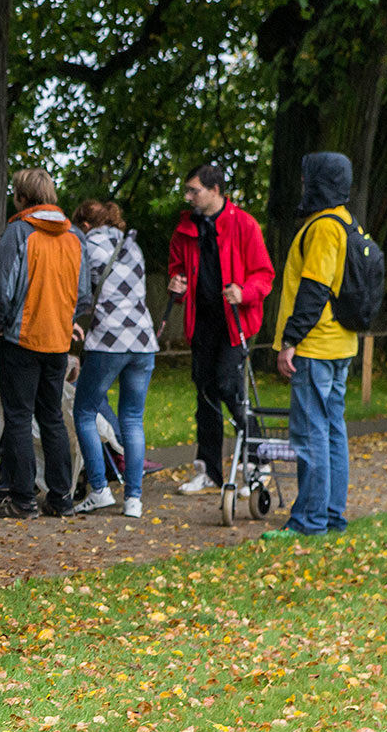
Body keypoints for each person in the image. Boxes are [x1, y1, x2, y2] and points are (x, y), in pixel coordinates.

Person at [264, 152, 360, 540]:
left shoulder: (322, 227)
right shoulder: (347, 222)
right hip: (341, 344)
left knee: (311, 434)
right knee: (333, 430)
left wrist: (290, 341)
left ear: (317, 181)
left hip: (316, 346)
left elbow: (315, 288)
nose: (302, 184)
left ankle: (309, 520)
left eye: (307, 178)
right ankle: (332, 515)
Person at [0, 168, 90, 519]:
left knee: (17, 417)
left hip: (21, 337)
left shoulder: (19, 232)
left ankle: (22, 499)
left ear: (21, 197)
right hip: (58, 341)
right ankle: (61, 498)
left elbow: (1, 291)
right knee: (52, 418)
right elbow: (84, 296)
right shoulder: (74, 236)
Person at [166, 164, 274, 495]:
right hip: (201, 322)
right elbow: (177, 270)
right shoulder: (184, 229)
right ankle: (210, 470)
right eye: (187, 190)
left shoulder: (244, 224)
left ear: (215, 191)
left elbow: (264, 274)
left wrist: (244, 292)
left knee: (230, 387)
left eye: (193, 190)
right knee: (205, 393)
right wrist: (177, 286)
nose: (187, 196)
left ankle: (259, 459)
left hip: (236, 321)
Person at [70, 200, 156, 518]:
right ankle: (133, 500)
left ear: (85, 224)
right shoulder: (132, 245)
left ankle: (99, 490)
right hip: (144, 340)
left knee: (85, 412)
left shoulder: (85, 245)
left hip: (108, 340)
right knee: (132, 418)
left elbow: (82, 295)